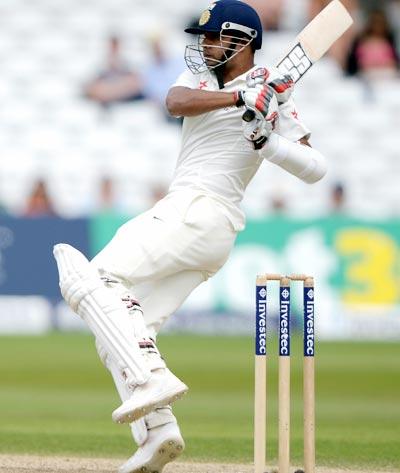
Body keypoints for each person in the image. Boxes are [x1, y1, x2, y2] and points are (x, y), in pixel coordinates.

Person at [53, 1, 328, 472]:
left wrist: (268, 141)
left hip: (201, 211)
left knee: (94, 279)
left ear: (241, 41)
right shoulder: (202, 84)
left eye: (212, 37)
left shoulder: (276, 99)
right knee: (119, 329)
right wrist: (241, 99)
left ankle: (152, 377)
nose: (202, 46)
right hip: (205, 230)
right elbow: (173, 102)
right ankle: (159, 431)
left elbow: (315, 169)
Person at [84, 35, 146, 109]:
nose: (113, 48)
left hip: (121, 92)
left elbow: (137, 82)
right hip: (108, 89)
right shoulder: (101, 65)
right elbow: (92, 86)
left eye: (115, 45)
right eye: (112, 45)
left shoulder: (126, 64)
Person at [346, 9, 400, 79]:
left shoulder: (388, 41)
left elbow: (394, 61)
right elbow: (358, 62)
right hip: (367, 76)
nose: (377, 26)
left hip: (387, 76)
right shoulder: (362, 41)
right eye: (376, 22)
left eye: (380, 23)